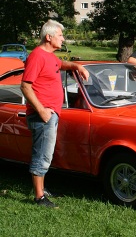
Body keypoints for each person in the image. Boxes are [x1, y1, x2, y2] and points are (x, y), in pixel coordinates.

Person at [20, 19, 89, 208]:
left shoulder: (50, 56)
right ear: (49, 37)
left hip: (51, 114)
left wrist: (76, 66)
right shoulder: (37, 56)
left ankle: (42, 189)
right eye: (60, 35)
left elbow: (60, 64)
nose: (63, 38)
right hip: (43, 115)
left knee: (46, 154)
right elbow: (25, 86)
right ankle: (39, 197)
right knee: (41, 155)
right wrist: (42, 111)